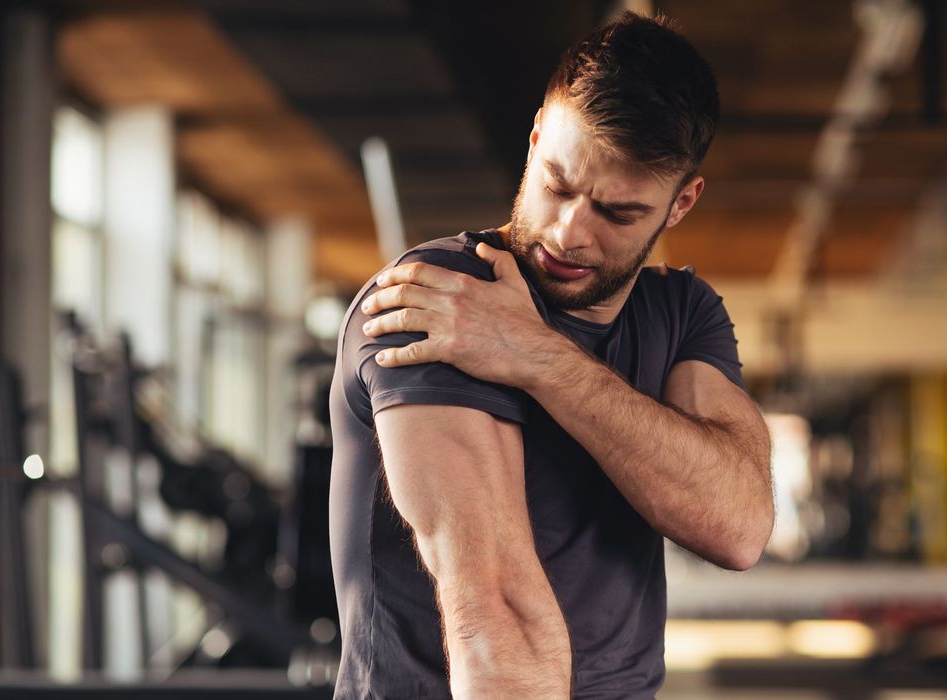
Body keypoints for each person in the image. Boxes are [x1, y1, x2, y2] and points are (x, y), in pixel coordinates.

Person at [329, 12, 774, 699]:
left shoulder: (681, 313)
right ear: (536, 137)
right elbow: (493, 616)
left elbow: (738, 525)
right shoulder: (441, 299)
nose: (569, 232)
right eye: (557, 184)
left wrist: (538, 356)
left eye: (617, 213)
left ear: (679, 204)